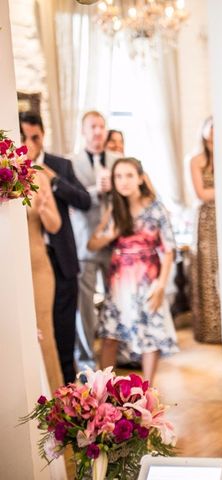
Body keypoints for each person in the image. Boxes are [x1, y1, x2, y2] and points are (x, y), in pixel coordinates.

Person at [88, 157, 178, 384]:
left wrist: (160, 286)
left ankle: (148, 389)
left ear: (140, 178)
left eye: (129, 175)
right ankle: (103, 389)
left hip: (148, 280)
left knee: (150, 337)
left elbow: (169, 250)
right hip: (119, 282)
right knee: (110, 336)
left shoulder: (156, 208)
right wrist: (111, 233)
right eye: (118, 176)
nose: (124, 181)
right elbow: (92, 244)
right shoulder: (114, 208)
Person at [20, 111, 92, 385]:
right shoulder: (10, 175)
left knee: (62, 333)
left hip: (59, 259)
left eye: (34, 137)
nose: (30, 143)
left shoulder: (59, 165)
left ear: (43, 135)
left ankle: (67, 392)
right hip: (27, 259)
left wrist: (52, 181)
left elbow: (83, 201)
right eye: (24, 137)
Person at [70, 111, 119, 371]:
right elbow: (73, 198)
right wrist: (95, 190)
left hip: (113, 243)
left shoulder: (118, 160)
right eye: (93, 127)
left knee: (117, 300)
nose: (98, 131)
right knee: (85, 307)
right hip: (85, 243)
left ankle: (117, 357)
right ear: (83, 131)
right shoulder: (72, 163)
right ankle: (87, 363)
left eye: (101, 126)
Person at [25, 169, 65, 392]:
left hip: (37, 267)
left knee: (44, 334)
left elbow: (55, 225)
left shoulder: (34, 176)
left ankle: (55, 405)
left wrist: (42, 209)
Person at [189, 117, 222, 344]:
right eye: (210, 126)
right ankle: (209, 329)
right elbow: (201, 194)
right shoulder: (196, 160)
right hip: (207, 219)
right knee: (208, 270)